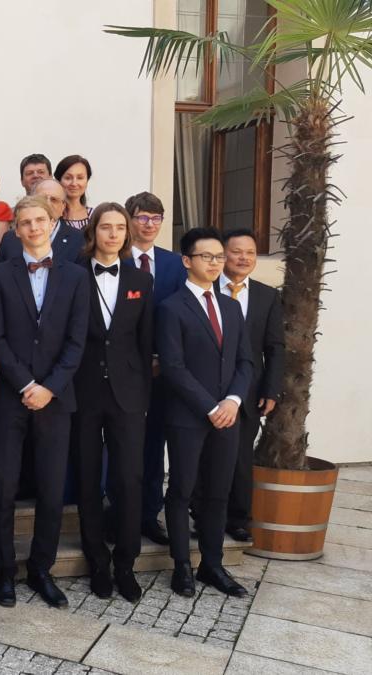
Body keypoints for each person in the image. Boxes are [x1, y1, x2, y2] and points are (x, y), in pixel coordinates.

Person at [0, 195, 90, 609]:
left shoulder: (77, 277)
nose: (32, 228)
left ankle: (41, 569)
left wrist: (50, 387)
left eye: (39, 220)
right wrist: (26, 383)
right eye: (24, 222)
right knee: (5, 488)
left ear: (52, 221)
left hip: (57, 399)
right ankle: (4, 571)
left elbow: (77, 340)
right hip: (11, 396)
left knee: (49, 489)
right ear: (15, 229)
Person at [158, 228, 253, 598]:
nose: (215, 263)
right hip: (187, 416)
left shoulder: (230, 306)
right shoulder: (170, 307)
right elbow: (173, 366)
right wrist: (210, 406)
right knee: (182, 491)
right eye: (206, 257)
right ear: (187, 260)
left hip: (228, 417)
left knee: (218, 492)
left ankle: (211, 565)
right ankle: (181, 565)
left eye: (219, 257)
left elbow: (246, 360)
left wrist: (232, 401)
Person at [71, 203, 153, 603]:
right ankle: (97, 562)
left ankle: (126, 562)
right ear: (94, 231)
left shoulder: (142, 279)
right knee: (88, 477)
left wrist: (144, 394)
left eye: (121, 227)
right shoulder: (72, 273)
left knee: (128, 479)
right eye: (107, 227)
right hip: (84, 389)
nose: (114, 234)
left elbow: (146, 341)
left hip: (128, 393)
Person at [193, 229, 284, 542]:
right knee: (202, 455)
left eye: (250, 253)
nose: (243, 258)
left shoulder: (267, 295)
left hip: (248, 392)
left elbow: (274, 347)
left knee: (241, 457)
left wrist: (271, 389)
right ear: (222, 254)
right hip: (205, 388)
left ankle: (238, 518)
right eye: (236, 252)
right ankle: (199, 514)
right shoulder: (202, 289)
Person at [125, 191, 186, 546]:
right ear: (130, 220)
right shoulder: (114, 258)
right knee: (121, 446)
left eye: (155, 218)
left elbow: (179, 316)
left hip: (163, 372)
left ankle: (148, 514)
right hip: (122, 369)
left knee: (153, 444)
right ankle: (119, 512)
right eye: (142, 217)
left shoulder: (175, 264)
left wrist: (163, 359)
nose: (149, 224)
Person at [0, 179, 85, 263]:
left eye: (54, 200)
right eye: (42, 199)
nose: (48, 204)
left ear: (63, 207)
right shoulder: (10, 239)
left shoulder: (79, 239)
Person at [55, 154, 93, 230]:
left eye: (80, 178)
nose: (74, 183)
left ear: (87, 181)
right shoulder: (51, 216)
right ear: (59, 181)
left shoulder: (95, 215)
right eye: (68, 178)